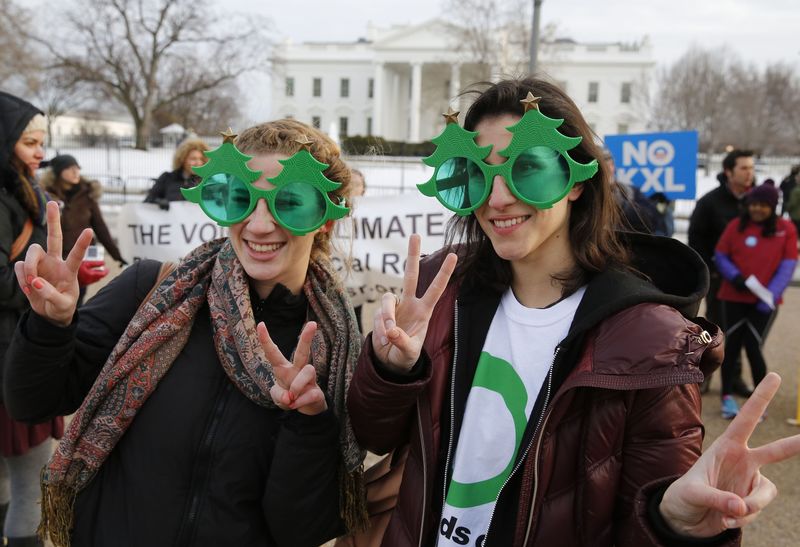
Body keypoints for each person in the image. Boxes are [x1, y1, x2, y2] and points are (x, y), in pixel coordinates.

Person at [346, 78, 800, 546]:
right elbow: (374, 434)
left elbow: (645, 514)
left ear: (577, 182)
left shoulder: (653, 341)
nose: (497, 198)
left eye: (529, 170)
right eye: (477, 173)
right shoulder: (438, 291)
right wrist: (392, 370)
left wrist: (676, 524)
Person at [4, 120, 366, 547]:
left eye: (290, 202)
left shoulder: (333, 347)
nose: (260, 225)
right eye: (239, 199)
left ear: (324, 219)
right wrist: (50, 326)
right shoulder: (150, 289)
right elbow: (32, 402)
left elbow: (298, 530)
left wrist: (306, 424)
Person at [0, 91, 64, 547]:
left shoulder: (24, 191)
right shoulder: (5, 199)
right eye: (28, 141)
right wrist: (41, 285)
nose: (40, 150)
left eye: (43, 141)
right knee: (32, 485)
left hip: (16, 348)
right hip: (9, 359)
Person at [714, 183, 798, 419]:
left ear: (773, 207)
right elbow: (721, 255)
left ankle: (759, 402)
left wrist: (770, 294)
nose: (758, 209)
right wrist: (735, 277)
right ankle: (727, 398)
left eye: (763, 205)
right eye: (754, 204)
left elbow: (788, 264)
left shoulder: (786, 229)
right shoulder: (736, 226)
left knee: (753, 346)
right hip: (733, 297)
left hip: (764, 302)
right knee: (731, 348)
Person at [688, 150, 756, 396]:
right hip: (720, 279)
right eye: (744, 168)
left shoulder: (756, 202)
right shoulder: (710, 202)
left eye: (752, 168)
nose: (750, 173)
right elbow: (696, 240)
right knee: (715, 329)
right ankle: (703, 374)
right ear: (729, 172)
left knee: (741, 331)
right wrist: (712, 271)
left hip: (751, 281)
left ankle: (734, 377)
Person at [41, 154, 127, 305]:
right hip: (58, 256)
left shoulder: (87, 194)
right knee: (55, 299)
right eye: (70, 168)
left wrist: (116, 255)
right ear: (58, 172)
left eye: (77, 168)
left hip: (82, 257)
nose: (76, 172)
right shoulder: (46, 195)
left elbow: (100, 227)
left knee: (77, 298)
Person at [143, 137, 209, 209]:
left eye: (201, 159)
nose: (198, 163)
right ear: (182, 159)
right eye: (193, 159)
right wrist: (158, 201)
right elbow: (148, 201)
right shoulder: (167, 178)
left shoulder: (207, 182)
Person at [604, 149, 660, 234]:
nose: (608, 169)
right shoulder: (583, 194)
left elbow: (651, 219)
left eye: (611, 164)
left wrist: (625, 207)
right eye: (603, 165)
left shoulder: (630, 191)